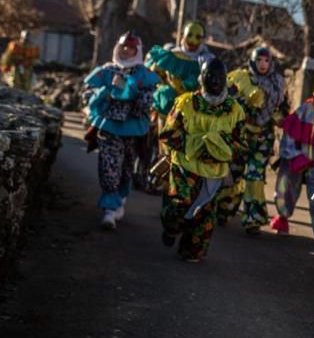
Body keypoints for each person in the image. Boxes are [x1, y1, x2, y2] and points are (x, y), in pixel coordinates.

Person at [159, 58, 246, 263]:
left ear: (226, 79)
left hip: (214, 173)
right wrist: (197, 145)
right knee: (179, 205)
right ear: (201, 78)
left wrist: (220, 148)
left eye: (219, 76)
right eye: (210, 76)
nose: (215, 80)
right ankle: (171, 230)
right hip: (185, 167)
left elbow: (241, 143)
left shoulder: (234, 110)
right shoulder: (186, 103)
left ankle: (192, 249)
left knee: (204, 216)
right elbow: (168, 134)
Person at [82, 31, 160, 229]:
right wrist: (105, 93)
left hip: (133, 131)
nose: (126, 50)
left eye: (131, 47)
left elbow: (149, 101)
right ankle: (109, 210)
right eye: (124, 47)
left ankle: (119, 201)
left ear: (138, 50)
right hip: (108, 128)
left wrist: (130, 90)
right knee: (108, 167)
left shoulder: (145, 75)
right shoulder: (106, 71)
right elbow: (87, 92)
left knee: (125, 169)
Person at [217, 46, 286, 233]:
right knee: (234, 172)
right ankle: (223, 210)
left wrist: (281, 119)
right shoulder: (240, 78)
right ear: (253, 61)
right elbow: (227, 101)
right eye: (259, 60)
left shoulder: (277, 83)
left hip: (264, 136)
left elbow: (281, 108)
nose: (262, 64)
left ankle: (253, 219)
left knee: (254, 176)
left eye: (266, 61)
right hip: (241, 135)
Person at [141, 21, 216, 191]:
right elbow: (152, 76)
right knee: (165, 145)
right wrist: (161, 91)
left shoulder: (207, 60)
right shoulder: (171, 55)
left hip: (193, 112)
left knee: (187, 149)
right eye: (190, 35)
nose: (193, 40)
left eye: (198, 36)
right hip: (168, 109)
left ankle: (181, 185)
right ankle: (158, 178)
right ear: (182, 35)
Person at [269, 78, 314, 243]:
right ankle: (282, 217)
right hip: (298, 156)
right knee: (287, 187)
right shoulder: (305, 109)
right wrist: (294, 155)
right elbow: (290, 131)